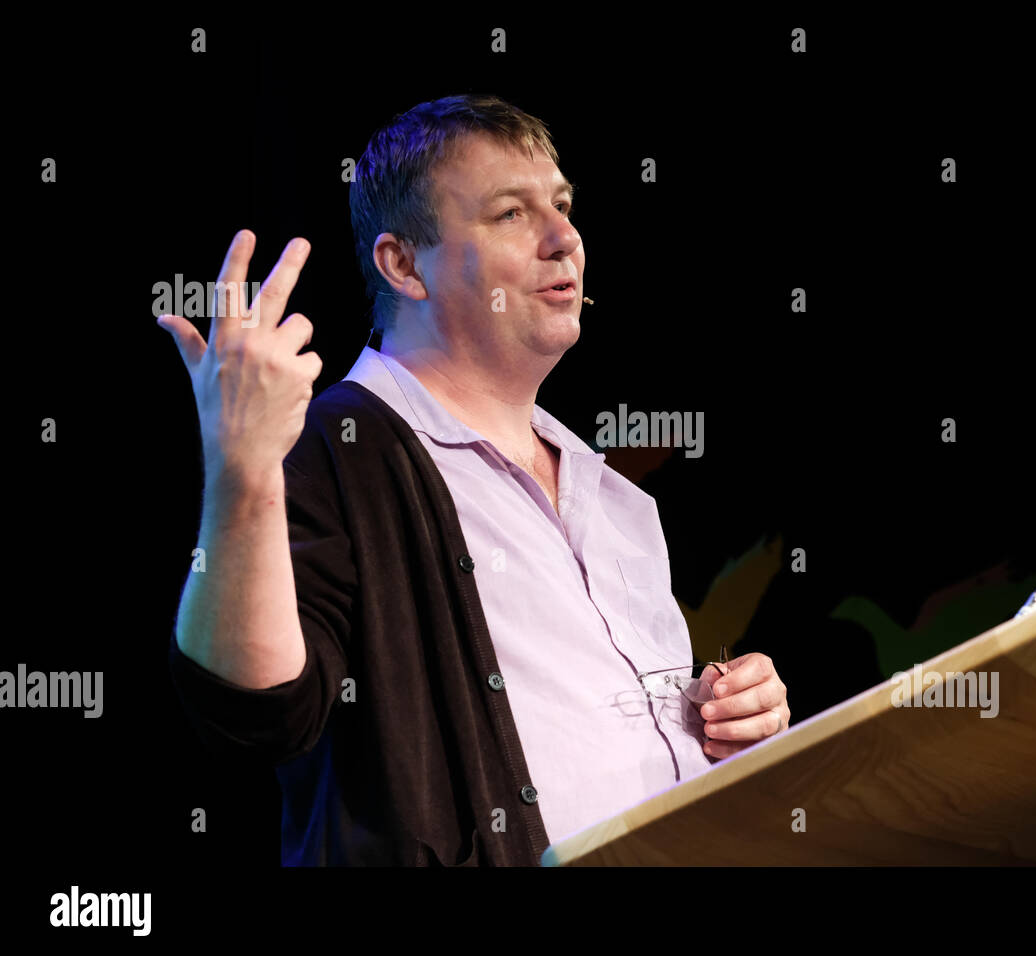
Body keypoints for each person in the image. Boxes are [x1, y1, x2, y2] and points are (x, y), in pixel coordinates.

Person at [158, 93, 789, 866]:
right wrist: (241, 468)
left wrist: (730, 721)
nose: (564, 240)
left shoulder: (614, 495)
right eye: (511, 215)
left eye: (562, 206)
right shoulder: (341, 448)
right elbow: (253, 711)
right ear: (403, 264)